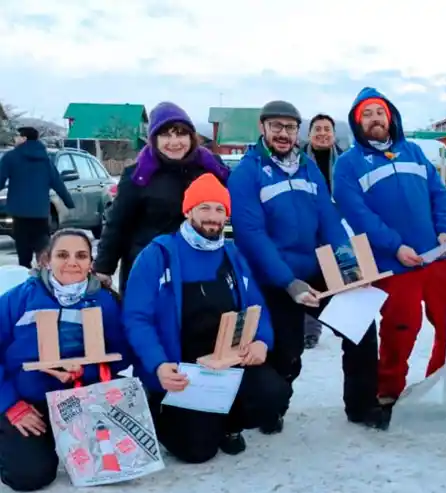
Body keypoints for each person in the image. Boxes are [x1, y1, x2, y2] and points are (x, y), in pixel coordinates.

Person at [227, 100, 385, 430]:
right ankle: (273, 408)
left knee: (360, 326)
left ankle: (361, 405)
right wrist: (288, 283)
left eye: (290, 127)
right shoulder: (247, 173)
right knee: (287, 351)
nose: (284, 134)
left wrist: (348, 268)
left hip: (316, 270)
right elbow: (252, 235)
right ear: (263, 128)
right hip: (274, 278)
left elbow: (328, 220)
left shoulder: (308, 168)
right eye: (277, 127)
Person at [123, 173, 290, 463]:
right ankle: (164, 413)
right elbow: (137, 318)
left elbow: (256, 304)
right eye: (204, 208)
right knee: (197, 452)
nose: (213, 217)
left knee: (274, 395)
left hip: (227, 362)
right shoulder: (158, 255)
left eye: (219, 209)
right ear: (188, 211)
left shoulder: (232, 254)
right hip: (181, 371)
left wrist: (262, 340)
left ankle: (228, 423)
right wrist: (159, 364)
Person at [334, 87, 446, 418]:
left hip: (436, 258)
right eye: (367, 115)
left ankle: (441, 384)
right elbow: (358, 215)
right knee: (402, 328)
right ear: (358, 123)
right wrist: (394, 246)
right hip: (394, 264)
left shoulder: (414, 152)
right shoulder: (348, 164)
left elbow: (437, 193)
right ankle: (388, 392)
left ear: (391, 117)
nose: (375, 119)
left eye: (379, 112)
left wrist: (444, 229)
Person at [0, 229, 128, 491]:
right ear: (47, 260)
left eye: (81, 255)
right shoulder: (19, 298)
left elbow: (121, 353)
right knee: (30, 477)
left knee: (111, 468)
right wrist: (10, 403)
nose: (72, 262)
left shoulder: (104, 301)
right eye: (62, 255)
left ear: (90, 263)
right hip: (29, 401)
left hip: (81, 399)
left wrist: (86, 369)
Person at [94, 102, 230, 294]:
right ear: (154, 139)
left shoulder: (211, 168)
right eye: (165, 134)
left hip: (198, 265)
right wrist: (103, 268)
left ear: (191, 137)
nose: (174, 142)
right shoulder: (139, 175)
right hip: (149, 267)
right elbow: (118, 224)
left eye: (181, 133)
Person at [0, 127, 75, 268]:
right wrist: (69, 202)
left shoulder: (10, 157)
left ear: (24, 139)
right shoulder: (45, 160)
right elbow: (57, 183)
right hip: (40, 212)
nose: (15, 139)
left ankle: (25, 275)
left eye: (17, 136)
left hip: (19, 212)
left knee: (23, 250)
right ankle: (45, 271)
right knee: (42, 244)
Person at [302, 113, 345, 350]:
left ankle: (343, 325)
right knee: (311, 279)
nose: (322, 133)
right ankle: (310, 330)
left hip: (336, 225)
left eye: (327, 129)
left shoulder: (344, 160)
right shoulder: (297, 159)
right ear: (309, 134)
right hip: (307, 228)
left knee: (339, 278)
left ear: (333, 134)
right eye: (317, 129)